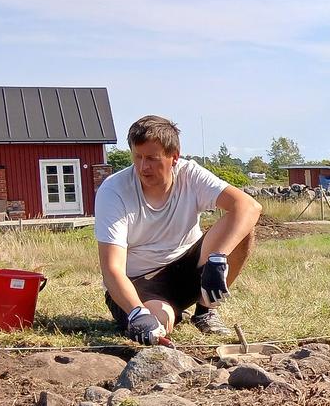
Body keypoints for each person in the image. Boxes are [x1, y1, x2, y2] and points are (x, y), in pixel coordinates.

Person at [95, 115, 263, 345]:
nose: (144, 167)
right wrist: (137, 313)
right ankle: (156, 313)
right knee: (158, 321)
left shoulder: (190, 175)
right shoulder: (113, 190)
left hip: (187, 269)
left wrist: (218, 257)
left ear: (174, 157)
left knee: (243, 229)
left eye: (153, 159)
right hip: (139, 283)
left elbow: (249, 206)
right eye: (138, 157)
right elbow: (112, 269)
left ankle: (205, 312)